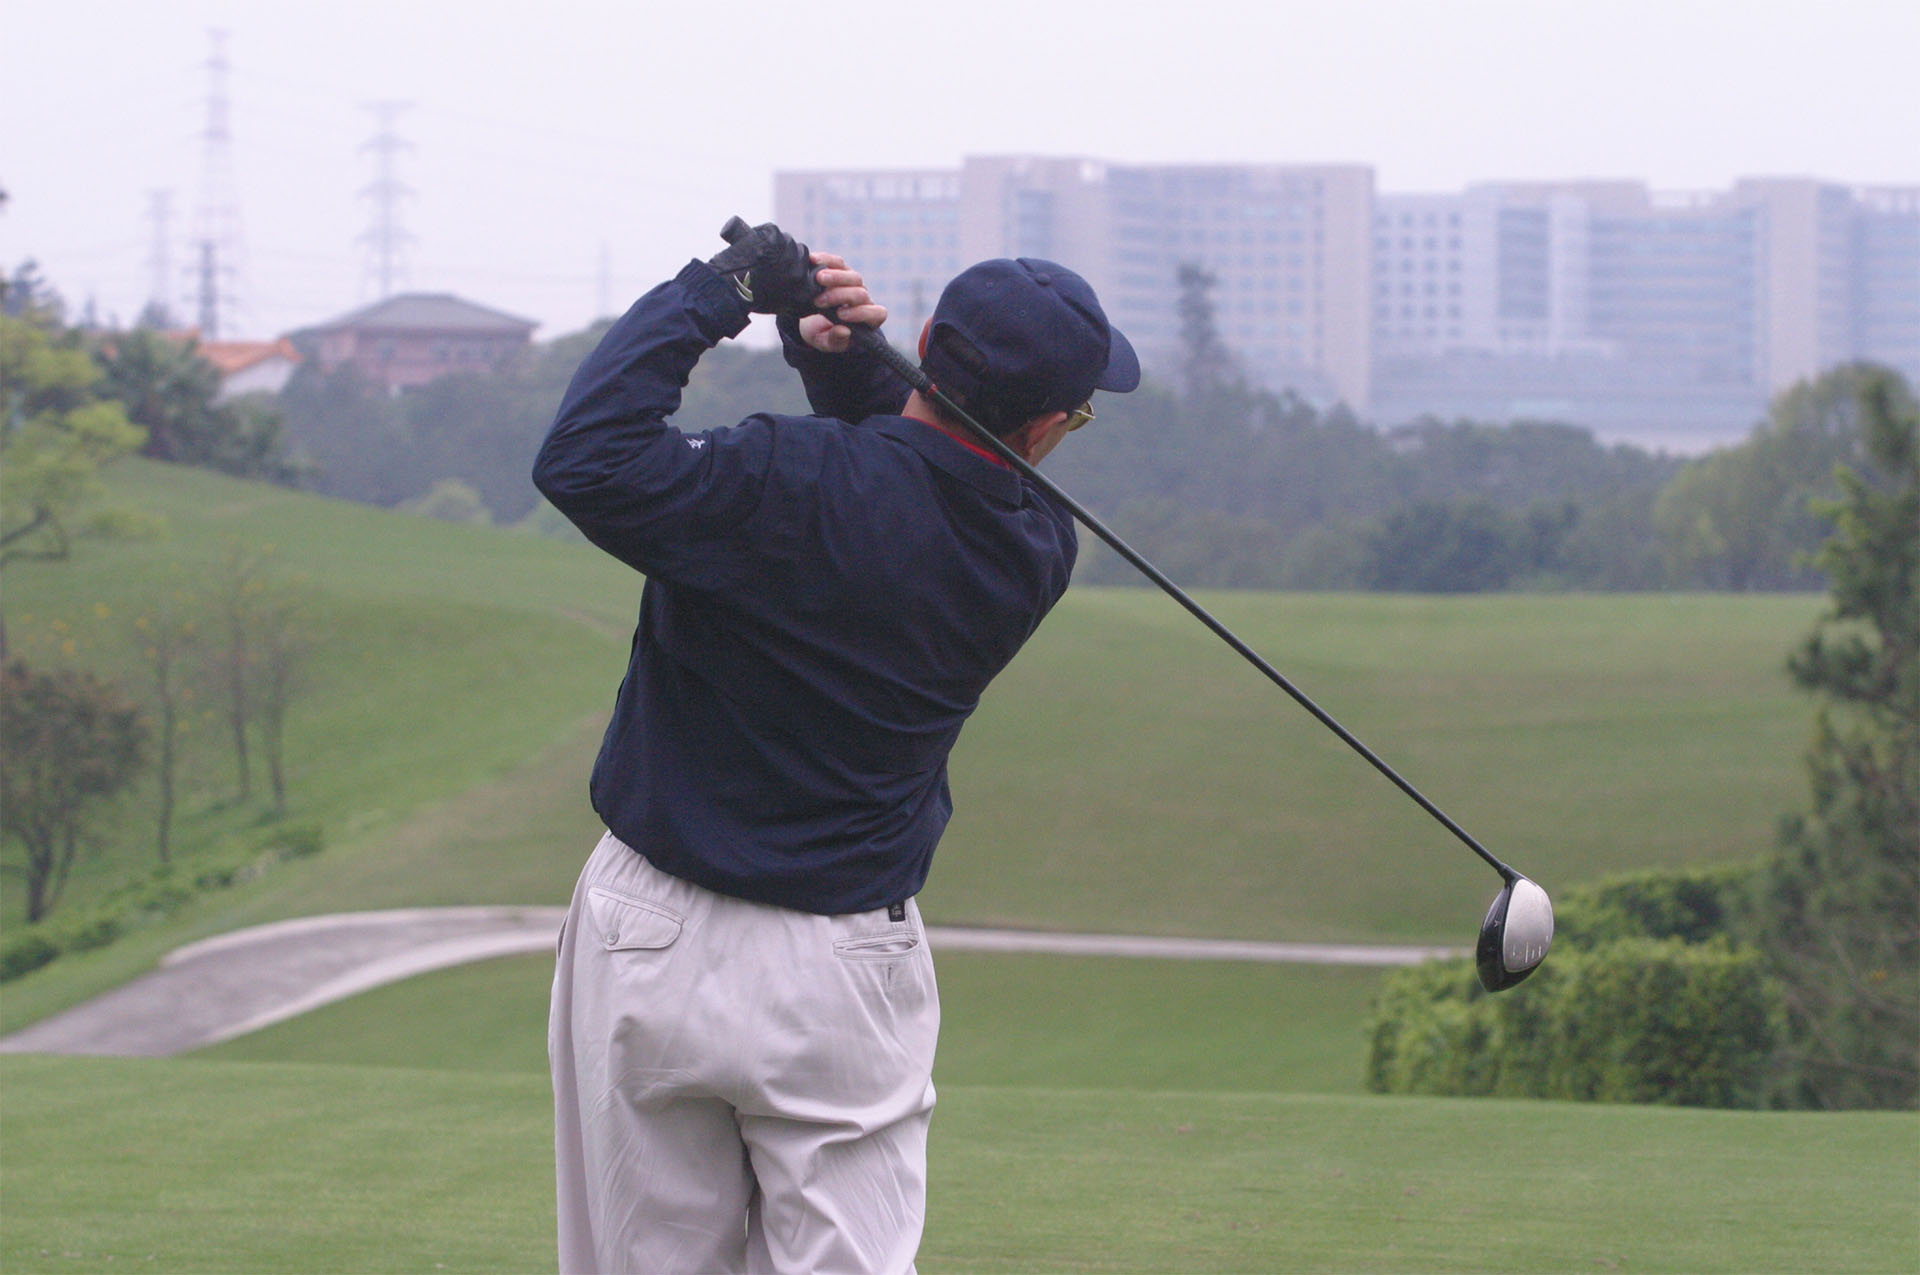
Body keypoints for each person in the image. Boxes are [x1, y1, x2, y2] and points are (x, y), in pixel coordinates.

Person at [533, 221, 1139, 1275]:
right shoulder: (1034, 545)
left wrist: (719, 292)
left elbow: (587, 457)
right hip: (841, 968)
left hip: (647, 931)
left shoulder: (774, 475)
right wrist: (841, 366)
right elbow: (911, 481)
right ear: (1047, 425)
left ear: (931, 340)